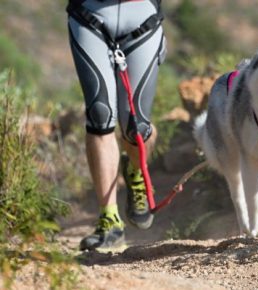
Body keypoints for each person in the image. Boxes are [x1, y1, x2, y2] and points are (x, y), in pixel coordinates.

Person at [66, 0, 166, 251]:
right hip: (89, 14)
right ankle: (109, 219)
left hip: (143, 16)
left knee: (137, 127)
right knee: (100, 116)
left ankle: (135, 172)